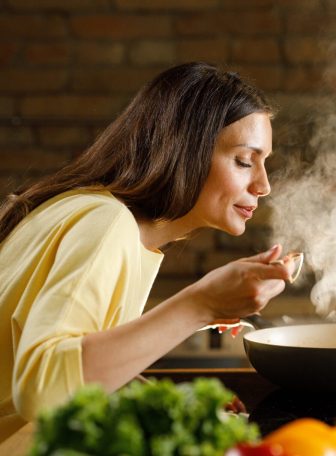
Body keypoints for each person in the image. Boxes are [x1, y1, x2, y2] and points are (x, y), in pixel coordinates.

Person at [0, 62, 298, 442]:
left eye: (264, 163)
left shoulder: (102, 216)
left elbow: (76, 373)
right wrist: (201, 304)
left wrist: (159, 399)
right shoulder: (105, 223)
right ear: (185, 150)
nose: (264, 185)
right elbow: (42, 391)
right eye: (243, 160)